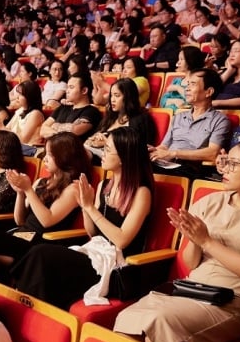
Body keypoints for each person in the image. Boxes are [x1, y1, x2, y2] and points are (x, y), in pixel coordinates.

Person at [114, 138, 240, 342]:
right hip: (190, 289)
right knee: (127, 320)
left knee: (158, 323)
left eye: (233, 164)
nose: (225, 168)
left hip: (234, 301)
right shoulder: (211, 202)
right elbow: (190, 263)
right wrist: (195, 240)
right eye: (225, 161)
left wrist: (207, 241)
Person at [12, 127, 153, 310]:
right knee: (39, 257)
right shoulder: (105, 185)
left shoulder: (142, 192)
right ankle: (26, 308)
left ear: (124, 157)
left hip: (117, 266)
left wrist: (89, 207)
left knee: (41, 254)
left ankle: (29, 311)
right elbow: (92, 233)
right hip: (96, 252)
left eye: (108, 150)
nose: (102, 153)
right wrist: (86, 206)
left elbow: (122, 240)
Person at [0, 132, 90, 277]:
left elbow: (47, 220)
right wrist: (21, 193)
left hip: (40, 244)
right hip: (20, 236)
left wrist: (28, 190)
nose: (44, 158)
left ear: (64, 157)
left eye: (50, 155)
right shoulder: (42, 182)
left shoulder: (73, 188)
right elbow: (20, 220)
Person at [150, 69, 231, 172]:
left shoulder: (220, 120)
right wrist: (153, 150)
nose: (187, 89)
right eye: (187, 84)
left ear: (209, 92)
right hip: (167, 164)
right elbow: (164, 147)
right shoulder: (179, 116)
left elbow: (212, 153)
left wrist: (173, 153)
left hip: (189, 167)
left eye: (193, 84)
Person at [85, 78, 156, 157]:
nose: (112, 100)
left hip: (120, 160)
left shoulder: (141, 119)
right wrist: (92, 141)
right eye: (111, 95)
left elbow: (140, 148)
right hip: (97, 154)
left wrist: (107, 143)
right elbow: (93, 137)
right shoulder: (110, 117)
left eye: (117, 95)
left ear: (128, 97)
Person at [40, 73, 102, 142]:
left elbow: (74, 131)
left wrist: (54, 126)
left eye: (71, 87)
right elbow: (42, 130)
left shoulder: (92, 111)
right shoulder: (63, 107)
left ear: (84, 90)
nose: (67, 91)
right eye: (67, 87)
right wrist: (60, 132)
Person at [160, 46, 206, 112]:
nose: (178, 63)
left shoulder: (199, 80)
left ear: (190, 60)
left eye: (181, 59)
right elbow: (162, 101)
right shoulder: (176, 80)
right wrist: (174, 101)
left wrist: (178, 88)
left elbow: (193, 101)